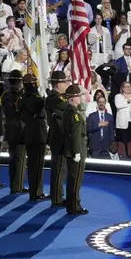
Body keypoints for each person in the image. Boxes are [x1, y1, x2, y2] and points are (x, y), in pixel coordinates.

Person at [18, 74, 49, 201]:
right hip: (38, 133)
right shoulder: (35, 98)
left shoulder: (22, 98)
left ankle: (33, 191)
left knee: (32, 164)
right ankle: (37, 192)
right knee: (37, 165)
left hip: (29, 133)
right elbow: (45, 104)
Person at [45, 71, 71, 206]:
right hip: (59, 136)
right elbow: (67, 112)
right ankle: (57, 198)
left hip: (57, 136)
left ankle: (57, 195)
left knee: (59, 168)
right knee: (59, 168)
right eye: (64, 82)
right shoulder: (56, 98)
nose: (66, 84)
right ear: (57, 84)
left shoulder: (55, 97)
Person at [63, 84, 89, 215]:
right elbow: (76, 135)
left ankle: (71, 204)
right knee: (76, 179)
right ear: (72, 98)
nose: (80, 98)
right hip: (76, 150)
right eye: (78, 96)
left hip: (70, 149)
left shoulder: (67, 111)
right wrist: (77, 152)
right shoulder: (75, 114)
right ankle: (74, 206)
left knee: (72, 179)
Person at [3, 70, 27, 194]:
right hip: (20, 130)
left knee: (12, 159)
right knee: (20, 159)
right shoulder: (20, 96)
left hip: (9, 129)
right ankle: (18, 186)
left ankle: (13, 184)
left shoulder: (5, 95)